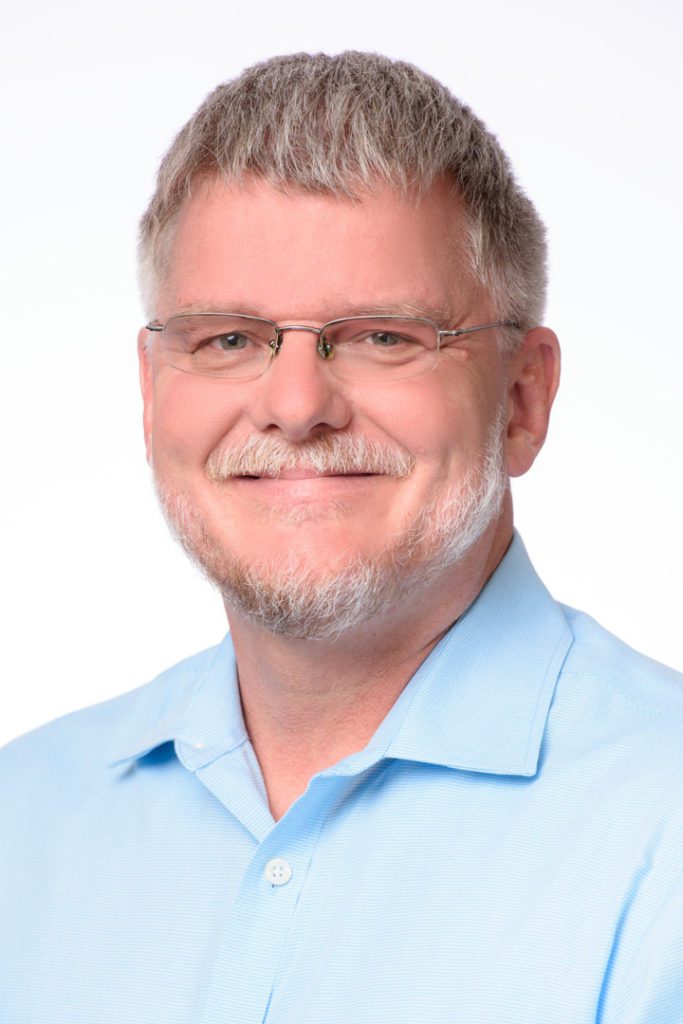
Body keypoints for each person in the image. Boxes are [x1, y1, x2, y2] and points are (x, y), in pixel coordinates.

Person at [2, 51, 683, 1024]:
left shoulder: (664, 834)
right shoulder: (21, 821)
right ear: (153, 395)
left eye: (381, 336)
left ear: (522, 400)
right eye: (227, 339)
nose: (293, 404)